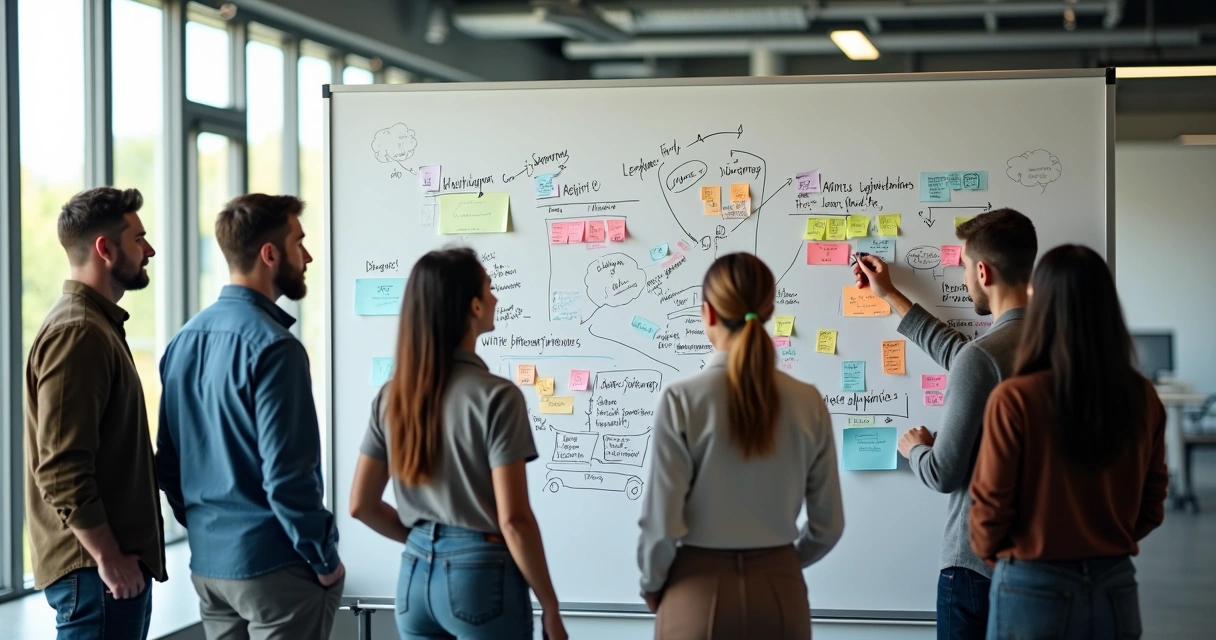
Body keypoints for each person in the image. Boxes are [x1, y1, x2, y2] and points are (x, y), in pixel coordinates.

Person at [349, 248, 566, 640]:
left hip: (413, 579)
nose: (497, 299)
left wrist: (427, 539)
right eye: (490, 289)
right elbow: (513, 519)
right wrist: (549, 604)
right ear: (475, 306)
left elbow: (360, 505)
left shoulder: (391, 397)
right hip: (480, 577)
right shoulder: (497, 397)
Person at [156, 194, 343, 640]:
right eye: (300, 242)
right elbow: (289, 478)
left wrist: (207, 530)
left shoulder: (183, 341)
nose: (309, 255)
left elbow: (168, 464)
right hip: (274, 567)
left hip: (208, 567)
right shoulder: (276, 348)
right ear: (270, 254)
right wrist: (325, 559)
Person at [637, 252, 845, 640]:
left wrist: (652, 582)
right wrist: (779, 561)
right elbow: (829, 526)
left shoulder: (682, 399)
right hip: (781, 594)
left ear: (708, 313)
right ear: (768, 310)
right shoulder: (808, 400)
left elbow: (662, 523)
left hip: (694, 592)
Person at [852, 208, 1037, 640]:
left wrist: (914, 447)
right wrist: (891, 296)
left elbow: (942, 473)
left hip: (975, 567)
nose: (964, 278)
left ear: (984, 272)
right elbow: (963, 357)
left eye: (965, 267)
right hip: (1041, 564)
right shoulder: (1059, 345)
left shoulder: (984, 359)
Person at [970, 245, 1168, 640]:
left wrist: (1004, 558)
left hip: (1032, 582)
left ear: (1038, 303)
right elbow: (1152, 503)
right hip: (1115, 583)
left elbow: (990, 508)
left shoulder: (1015, 399)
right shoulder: (1142, 395)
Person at [25, 187, 165, 639]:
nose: (150, 250)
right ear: (105, 248)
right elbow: (62, 467)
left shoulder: (95, 324)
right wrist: (108, 558)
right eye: (139, 239)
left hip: (102, 577)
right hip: (96, 577)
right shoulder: (79, 331)